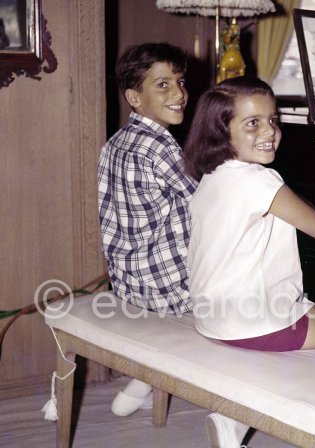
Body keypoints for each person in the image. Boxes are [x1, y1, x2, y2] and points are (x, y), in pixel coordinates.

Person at [183, 76, 315, 447]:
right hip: (253, 321)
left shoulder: (211, 176)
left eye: (273, 119)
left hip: (210, 316)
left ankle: (243, 415)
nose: (270, 131)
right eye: (252, 123)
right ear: (223, 130)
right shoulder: (258, 179)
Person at [97, 42, 197, 417]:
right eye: (163, 85)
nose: (179, 93)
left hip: (127, 281)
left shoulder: (116, 143)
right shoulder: (159, 147)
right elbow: (205, 203)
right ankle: (234, 408)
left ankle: (145, 380)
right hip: (167, 289)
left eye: (180, 81)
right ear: (134, 97)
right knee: (249, 294)